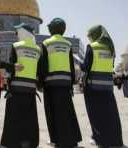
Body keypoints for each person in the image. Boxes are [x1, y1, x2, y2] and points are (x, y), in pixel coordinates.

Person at [41, 18, 82, 147]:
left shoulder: (46, 43)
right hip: (65, 83)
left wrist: (41, 83)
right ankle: (72, 140)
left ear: (53, 28)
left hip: (51, 84)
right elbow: (71, 65)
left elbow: (43, 64)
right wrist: (71, 85)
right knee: (67, 111)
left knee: (53, 112)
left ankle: (56, 140)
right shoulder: (67, 44)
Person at [80, 25, 124, 147]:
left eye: (90, 36)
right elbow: (110, 66)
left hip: (93, 86)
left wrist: (80, 66)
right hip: (108, 87)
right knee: (110, 114)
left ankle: (98, 138)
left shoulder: (93, 47)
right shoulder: (111, 48)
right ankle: (115, 140)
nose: (89, 39)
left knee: (95, 114)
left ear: (94, 35)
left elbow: (86, 67)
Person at [0, 23, 42, 148]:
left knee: (13, 116)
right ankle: (29, 142)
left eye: (18, 32)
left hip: (16, 87)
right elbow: (39, 71)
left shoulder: (16, 46)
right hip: (30, 89)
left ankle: (12, 142)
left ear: (23, 32)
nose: (17, 35)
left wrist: (8, 86)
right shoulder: (38, 49)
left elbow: (11, 68)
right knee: (30, 118)